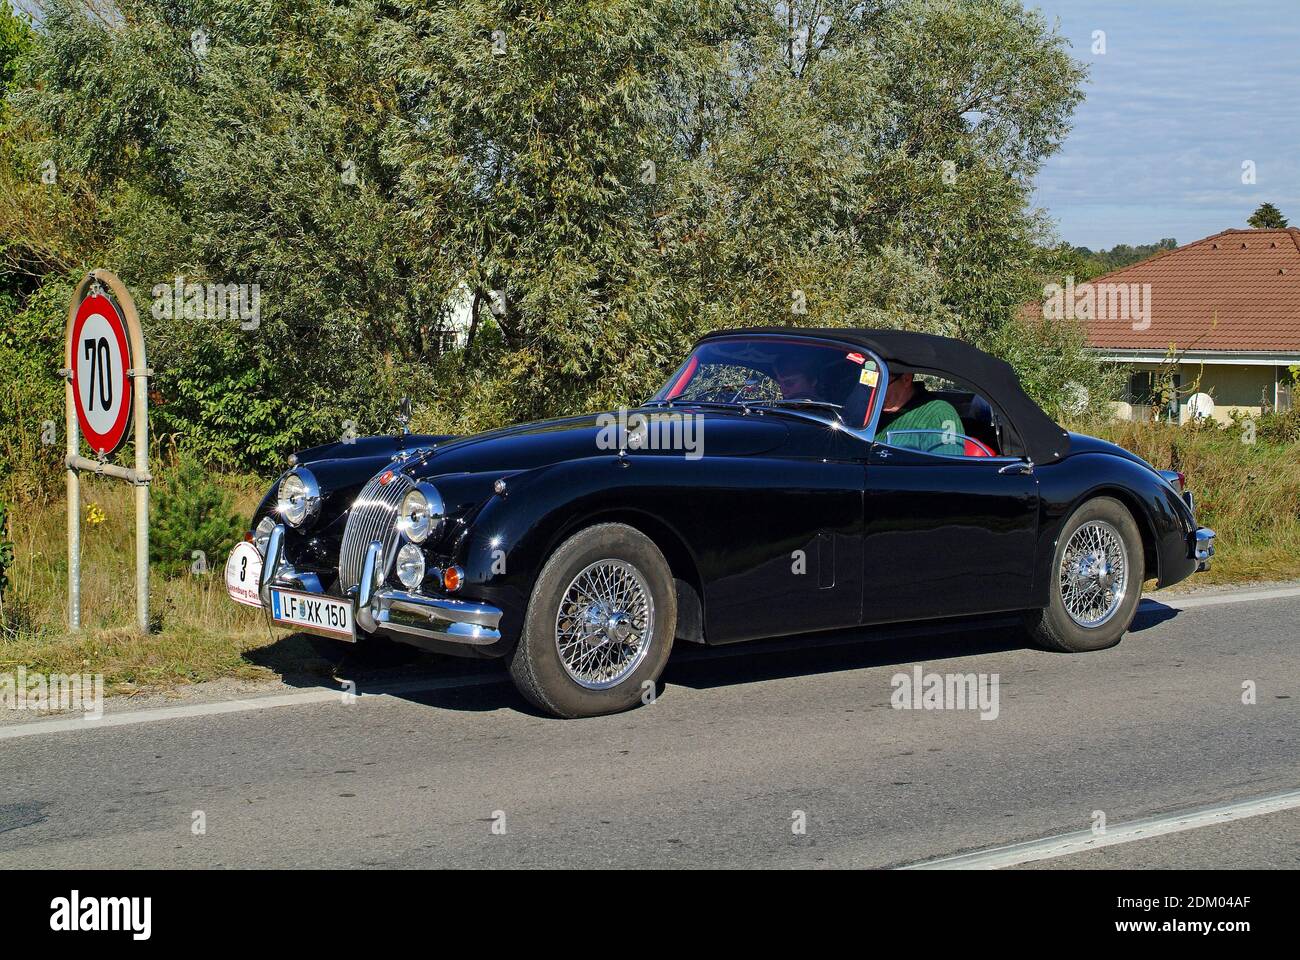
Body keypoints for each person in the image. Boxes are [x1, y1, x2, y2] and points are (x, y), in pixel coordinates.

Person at [875, 371, 965, 455]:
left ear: (906, 379)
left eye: (881, 385)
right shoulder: (871, 410)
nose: (875, 391)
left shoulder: (940, 413)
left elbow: (947, 468)